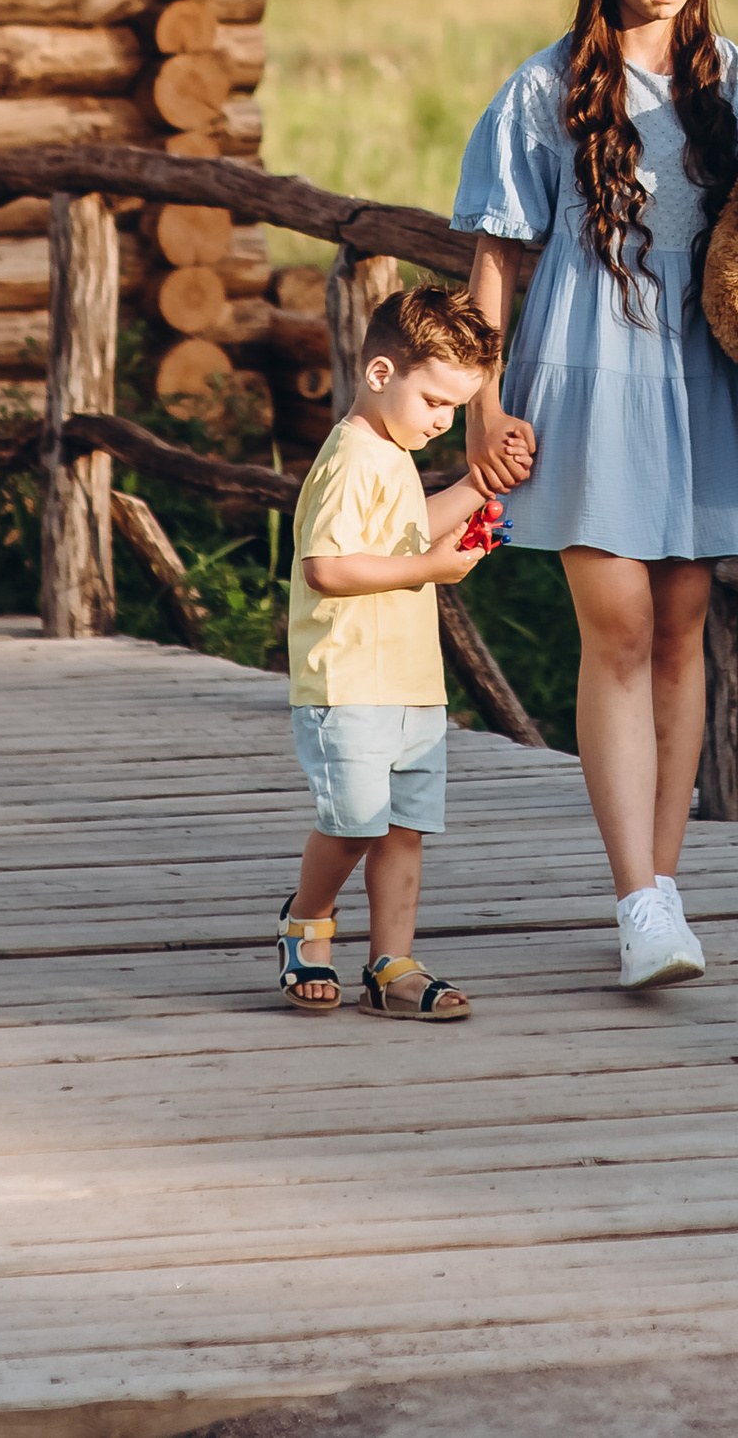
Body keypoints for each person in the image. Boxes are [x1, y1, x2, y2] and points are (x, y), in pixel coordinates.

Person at [453, 0, 738, 992]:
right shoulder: (546, 88)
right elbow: (497, 256)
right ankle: (635, 897)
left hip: (698, 379)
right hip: (582, 373)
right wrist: (484, 402)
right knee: (611, 627)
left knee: (679, 628)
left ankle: (662, 891)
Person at [277, 281, 501, 1021]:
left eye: (454, 409)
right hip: (349, 682)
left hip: (410, 683)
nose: (442, 421)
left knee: (404, 829)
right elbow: (328, 568)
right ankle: (307, 926)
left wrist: (475, 489)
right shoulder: (351, 457)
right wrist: (430, 570)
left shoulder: (393, 449)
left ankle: (391, 961)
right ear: (381, 374)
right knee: (354, 826)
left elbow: (404, 532)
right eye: (434, 401)